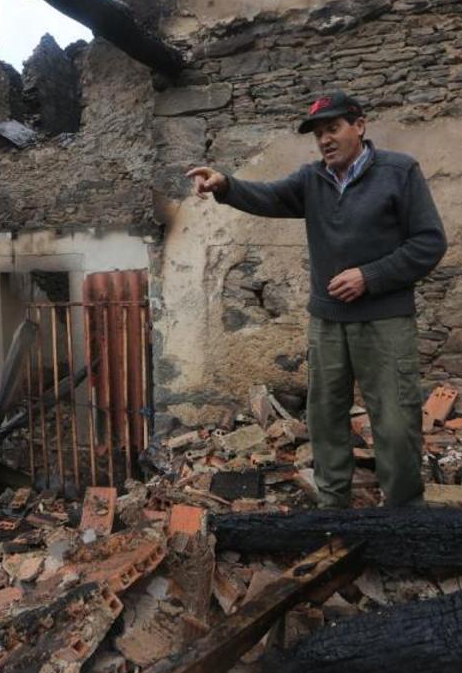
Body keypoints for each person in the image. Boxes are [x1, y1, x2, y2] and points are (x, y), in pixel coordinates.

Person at [186, 91, 446, 507]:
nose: (325, 139)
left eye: (333, 128)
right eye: (318, 133)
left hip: (385, 319)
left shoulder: (399, 172)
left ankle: (403, 513)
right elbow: (269, 196)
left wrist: (369, 276)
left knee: (396, 421)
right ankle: (333, 507)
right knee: (325, 417)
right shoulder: (312, 180)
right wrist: (226, 185)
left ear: (359, 126)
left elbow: (429, 243)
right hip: (327, 321)